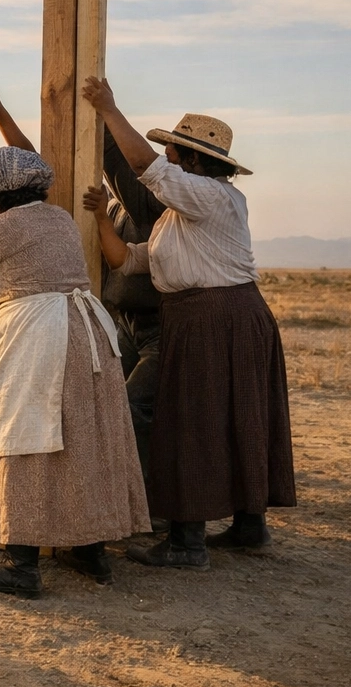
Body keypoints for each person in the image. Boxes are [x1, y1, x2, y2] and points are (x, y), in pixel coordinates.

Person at [82, 76, 295, 567]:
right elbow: (128, 262)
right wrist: (98, 220)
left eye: (176, 154)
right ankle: (247, 526)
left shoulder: (209, 195)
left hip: (214, 316)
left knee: (190, 423)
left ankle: (186, 542)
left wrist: (110, 109)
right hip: (218, 316)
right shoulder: (184, 213)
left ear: (197, 162)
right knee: (233, 418)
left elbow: (142, 165)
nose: (168, 161)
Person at [0, 139, 150, 596]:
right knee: (82, 435)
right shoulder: (61, 219)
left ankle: (21, 564)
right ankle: (89, 550)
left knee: (23, 433)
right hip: (89, 329)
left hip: (39, 333)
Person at [0, 87, 167, 513]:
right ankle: (114, 506)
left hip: (159, 324)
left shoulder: (152, 202)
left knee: (134, 411)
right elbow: (35, 171)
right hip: (119, 323)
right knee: (110, 412)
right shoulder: (109, 203)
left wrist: (101, 114)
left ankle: (141, 508)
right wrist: (1, 114)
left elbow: (124, 164)